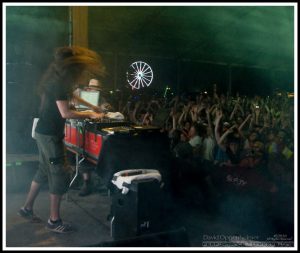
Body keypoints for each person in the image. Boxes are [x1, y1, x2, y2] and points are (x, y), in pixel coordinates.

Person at [18, 46, 106, 233]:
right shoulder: (58, 83)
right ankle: (54, 221)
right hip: (50, 135)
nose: (80, 74)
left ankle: (26, 208)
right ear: (71, 69)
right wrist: (92, 113)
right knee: (59, 174)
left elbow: (73, 97)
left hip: (43, 133)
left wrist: (92, 106)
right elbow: (65, 113)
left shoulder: (56, 80)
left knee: (43, 170)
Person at [72, 78, 112, 197]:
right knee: (84, 156)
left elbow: (106, 109)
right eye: (93, 89)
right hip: (83, 129)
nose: (96, 91)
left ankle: (102, 182)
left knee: (99, 156)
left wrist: (107, 109)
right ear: (88, 88)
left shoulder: (101, 99)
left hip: (96, 130)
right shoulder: (81, 95)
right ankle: (87, 183)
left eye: (97, 89)